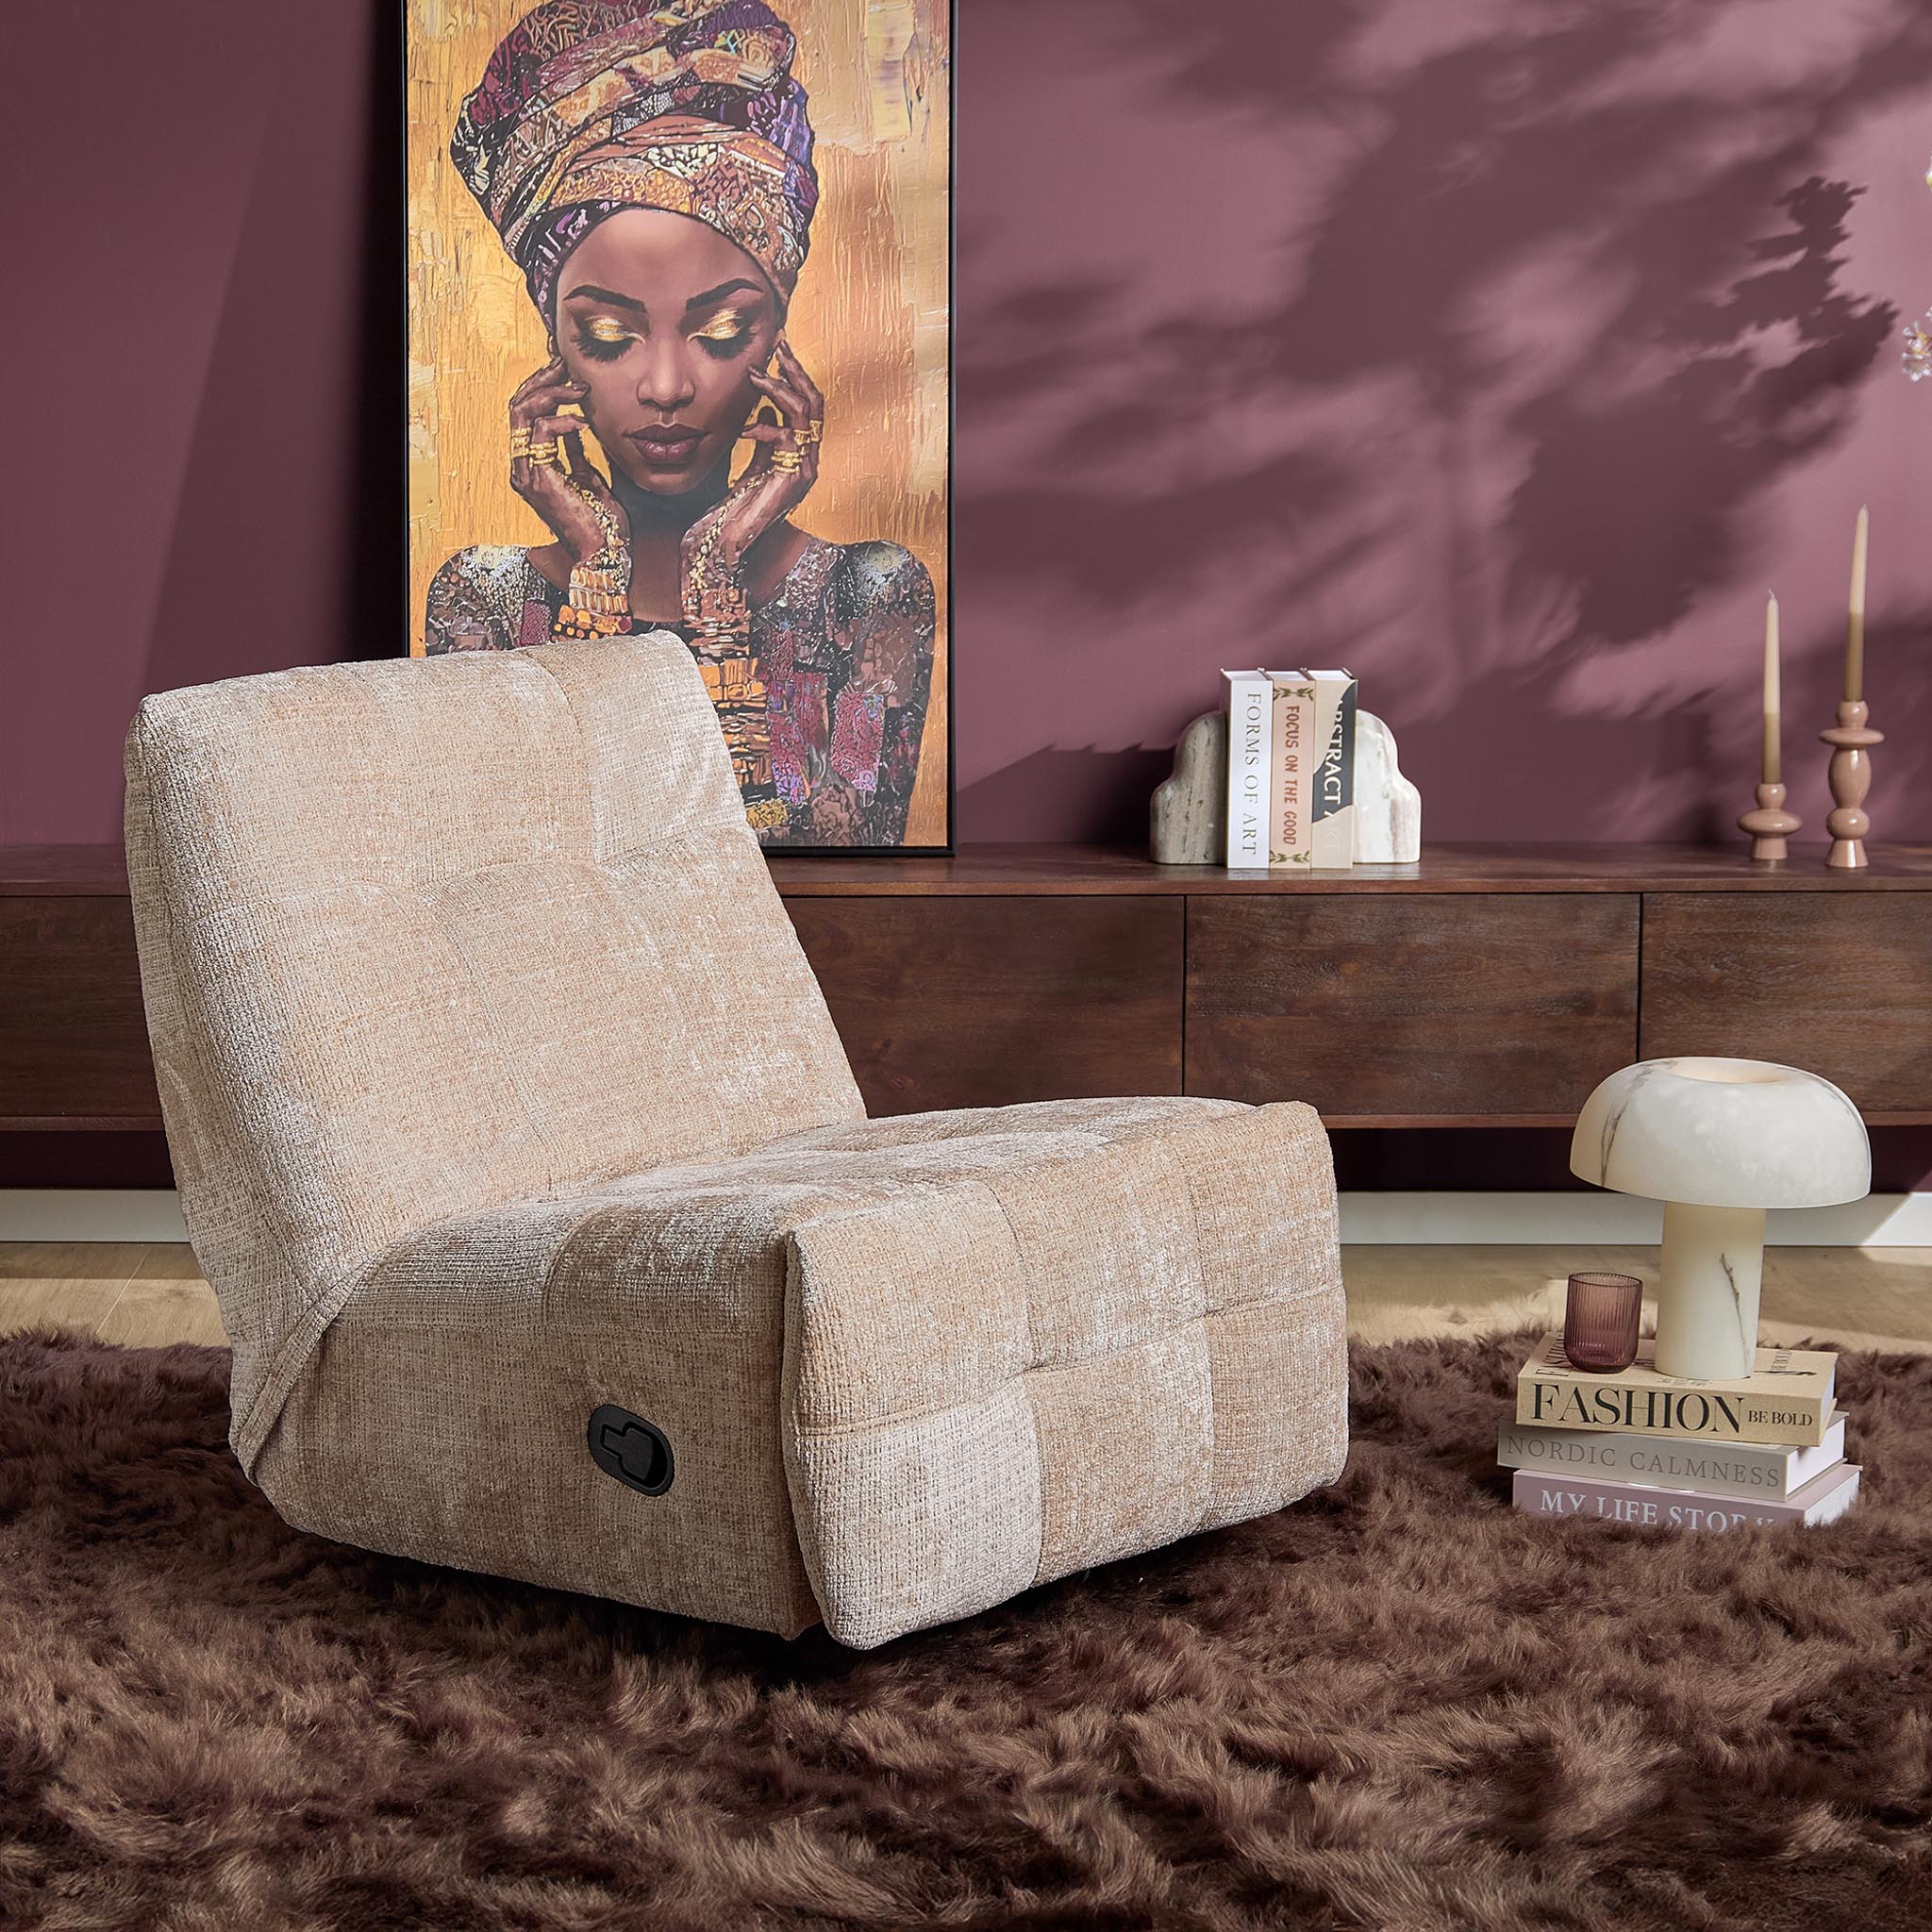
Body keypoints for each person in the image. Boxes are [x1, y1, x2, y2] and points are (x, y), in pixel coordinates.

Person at [424, 0, 936, 847]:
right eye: (607, 335)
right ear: (555, 348)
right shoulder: (484, 600)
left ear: (776, 343)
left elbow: (840, 874)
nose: (665, 386)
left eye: (723, 330)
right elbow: (515, 860)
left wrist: (718, 568)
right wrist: (598, 569)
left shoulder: (869, 593)